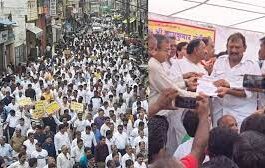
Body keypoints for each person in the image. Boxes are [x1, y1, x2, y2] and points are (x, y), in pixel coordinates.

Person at [211, 32, 261, 126]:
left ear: (244, 48)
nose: (233, 50)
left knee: (239, 140)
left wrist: (228, 89)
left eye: (237, 47)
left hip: (241, 115)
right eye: (231, 47)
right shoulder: (220, 61)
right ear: (226, 47)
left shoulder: (252, 65)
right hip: (219, 112)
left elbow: (250, 92)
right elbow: (212, 83)